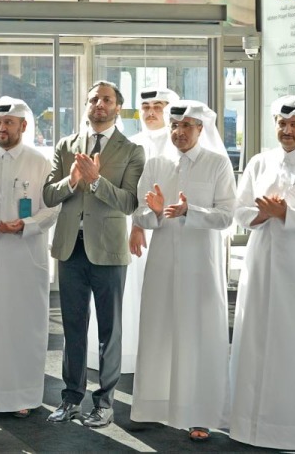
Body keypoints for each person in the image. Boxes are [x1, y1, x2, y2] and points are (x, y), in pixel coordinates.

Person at [128, 100, 234, 441]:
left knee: (198, 335)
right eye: (175, 126)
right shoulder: (156, 162)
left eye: (186, 126)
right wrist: (155, 213)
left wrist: (192, 211)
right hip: (161, 264)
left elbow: (227, 216)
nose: (178, 132)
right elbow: (140, 216)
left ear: (200, 129)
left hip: (201, 265)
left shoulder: (217, 164)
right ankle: (155, 407)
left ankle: (199, 413)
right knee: (159, 329)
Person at [43, 81, 145, 428]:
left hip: (109, 251)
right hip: (70, 248)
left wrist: (97, 181)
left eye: (106, 100)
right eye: (93, 99)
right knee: (72, 326)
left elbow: (130, 202)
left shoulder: (132, 150)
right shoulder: (66, 145)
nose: (98, 104)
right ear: (85, 106)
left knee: (108, 330)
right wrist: (72, 181)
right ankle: (70, 398)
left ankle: (104, 403)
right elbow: (48, 196)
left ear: (118, 107)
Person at [229, 96, 295, 450]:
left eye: (294, 125)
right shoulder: (259, 162)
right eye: (281, 124)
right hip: (260, 265)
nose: (286, 131)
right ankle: (250, 425)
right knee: (256, 338)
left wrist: (287, 215)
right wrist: (261, 216)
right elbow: (239, 211)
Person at [0, 97, 59, 417]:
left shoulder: (40, 161)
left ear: (23, 126)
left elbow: (53, 208)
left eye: (9, 123)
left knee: (23, 324)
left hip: (24, 254)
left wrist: (26, 225)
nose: (2, 128)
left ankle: (22, 396)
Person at [92, 86, 181, 377]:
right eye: (146, 107)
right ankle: (132, 357)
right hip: (136, 231)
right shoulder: (132, 143)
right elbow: (128, 193)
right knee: (134, 295)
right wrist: (137, 225)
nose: (152, 112)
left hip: (175, 232)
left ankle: (164, 359)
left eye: (159, 106)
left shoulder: (179, 144)